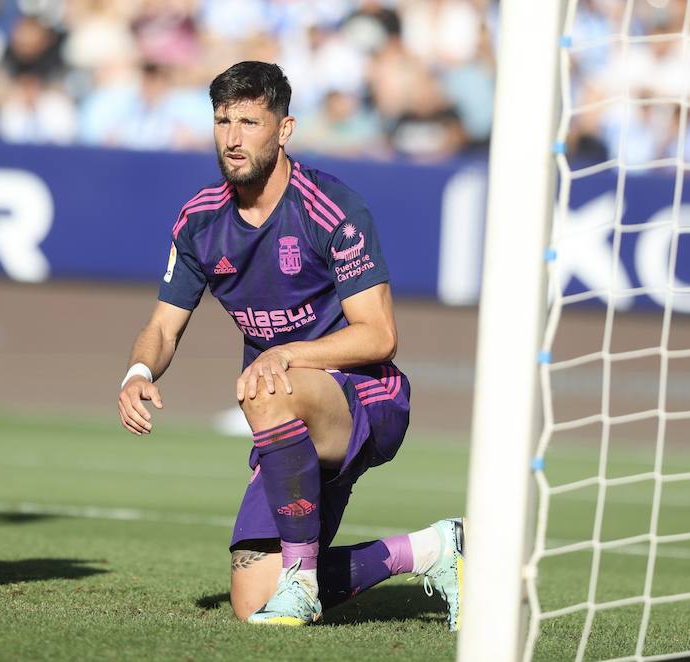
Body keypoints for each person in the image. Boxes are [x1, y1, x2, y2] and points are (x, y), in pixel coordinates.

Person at [116, 60, 464, 628]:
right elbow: (162, 325)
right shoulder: (200, 221)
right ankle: (434, 549)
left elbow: (380, 336)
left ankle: (301, 580)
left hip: (363, 399)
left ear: (284, 129)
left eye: (250, 121)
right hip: (282, 414)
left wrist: (286, 353)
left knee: (263, 386)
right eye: (223, 120)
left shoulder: (329, 209)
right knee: (253, 600)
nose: (233, 137)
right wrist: (137, 372)